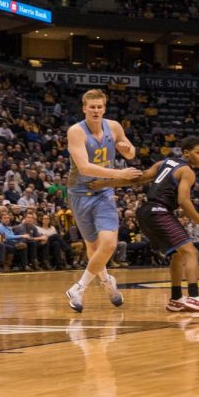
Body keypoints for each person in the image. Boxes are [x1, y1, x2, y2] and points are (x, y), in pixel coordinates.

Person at [91, 136, 199, 315]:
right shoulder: (187, 171)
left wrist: (104, 183)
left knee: (179, 254)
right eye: (198, 152)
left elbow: (137, 179)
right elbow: (183, 200)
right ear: (186, 153)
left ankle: (176, 299)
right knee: (191, 252)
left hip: (145, 211)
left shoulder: (163, 163)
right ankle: (194, 296)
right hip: (159, 211)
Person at [65, 89, 141, 313]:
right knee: (94, 246)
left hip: (104, 191)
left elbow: (131, 154)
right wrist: (120, 175)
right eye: (92, 107)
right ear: (84, 108)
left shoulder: (114, 127)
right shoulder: (76, 132)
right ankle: (107, 280)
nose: (96, 110)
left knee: (108, 243)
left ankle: (79, 288)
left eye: (99, 107)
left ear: (104, 108)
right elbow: (85, 167)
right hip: (79, 192)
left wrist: (127, 149)